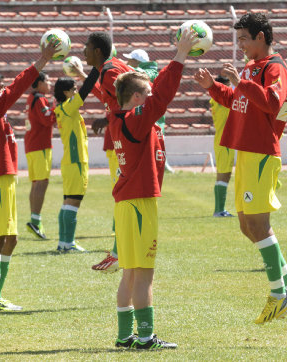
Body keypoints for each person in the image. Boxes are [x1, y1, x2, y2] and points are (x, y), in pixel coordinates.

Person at [194, 12, 287, 324]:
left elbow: (272, 102)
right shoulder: (249, 68)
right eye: (238, 38)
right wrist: (213, 87)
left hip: (261, 152)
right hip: (245, 151)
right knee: (247, 226)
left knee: (258, 224)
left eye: (244, 38)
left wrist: (240, 81)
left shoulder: (275, 67)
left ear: (261, 37)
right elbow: (238, 101)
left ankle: (278, 293)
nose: (240, 44)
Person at [109, 28, 198, 350]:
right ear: (136, 99)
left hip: (126, 203)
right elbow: (161, 97)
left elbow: (156, 98)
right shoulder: (134, 119)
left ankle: (124, 336)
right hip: (139, 203)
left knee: (130, 273)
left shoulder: (119, 118)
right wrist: (180, 56)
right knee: (144, 274)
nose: (151, 98)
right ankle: (146, 338)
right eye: (145, 94)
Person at [0, 39, 58, 311]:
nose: (3, 91)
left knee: (12, 238)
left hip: (4, 177)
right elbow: (17, 87)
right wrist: (41, 62)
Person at [83, 32, 135, 272]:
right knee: (123, 194)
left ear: (97, 51)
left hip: (127, 140)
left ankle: (119, 253)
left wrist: (115, 121)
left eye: (87, 46)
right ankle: (119, 250)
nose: (83, 51)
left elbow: (135, 100)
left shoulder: (109, 71)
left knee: (124, 195)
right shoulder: (110, 69)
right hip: (125, 138)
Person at [53, 64, 100, 252]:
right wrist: (97, 68)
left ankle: (63, 243)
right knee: (73, 202)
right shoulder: (67, 107)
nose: (76, 91)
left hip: (70, 162)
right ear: (66, 92)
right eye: (73, 88)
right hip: (76, 161)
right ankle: (69, 243)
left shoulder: (63, 109)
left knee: (67, 202)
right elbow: (86, 89)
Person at [123, 48, 174, 173]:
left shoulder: (150, 72)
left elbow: (141, 76)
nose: (127, 62)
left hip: (152, 116)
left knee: (155, 142)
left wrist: (122, 67)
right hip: (145, 114)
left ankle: (163, 164)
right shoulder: (143, 71)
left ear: (136, 61)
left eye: (129, 60)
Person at [24, 71, 55, 239]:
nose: (50, 83)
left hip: (31, 144)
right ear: (39, 83)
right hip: (40, 145)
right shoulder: (40, 99)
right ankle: (36, 221)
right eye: (47, 80)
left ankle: (35, 219)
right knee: (41, 183)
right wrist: (57, 108)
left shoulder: (31, 98)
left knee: (36, 182)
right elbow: (47, 119)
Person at [210, 75, 235, 217]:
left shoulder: (215, 99)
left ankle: (219, 209)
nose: (229, 89)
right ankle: (219, 210)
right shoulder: (222, 101)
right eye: (228, 86)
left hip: (221, 140)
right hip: (225, 142)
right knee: (224, 176)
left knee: (222, 175)